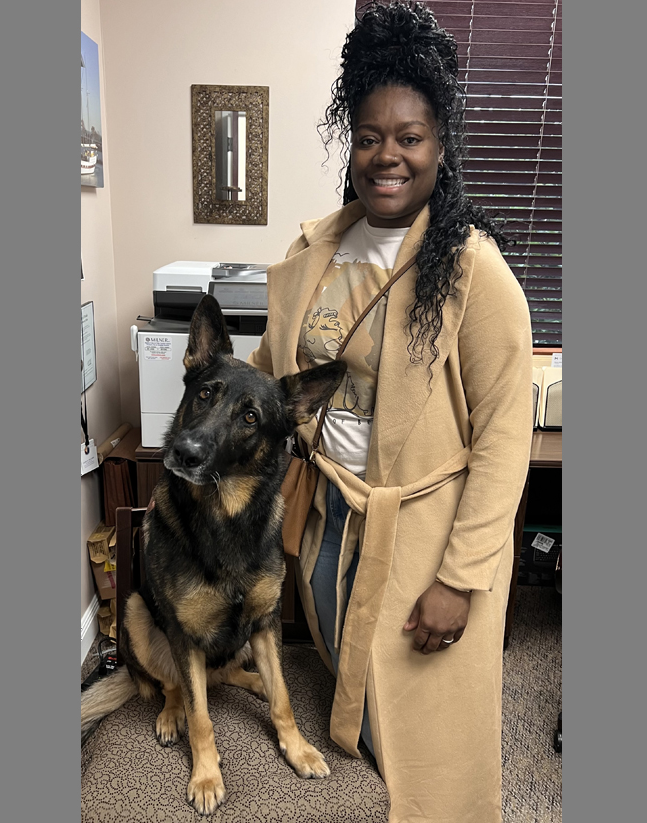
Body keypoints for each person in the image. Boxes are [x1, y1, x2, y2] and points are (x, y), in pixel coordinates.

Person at [248, 3, 533, 821]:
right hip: (332, 517)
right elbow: (280, 374)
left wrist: (459, 579)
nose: (388, 156)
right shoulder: (319, 249)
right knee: (359, 697)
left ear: (441, 146)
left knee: (431, 731)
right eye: (370, 135)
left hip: (423, 540)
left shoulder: (476, 274)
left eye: (410, 136)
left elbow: (506, 443)